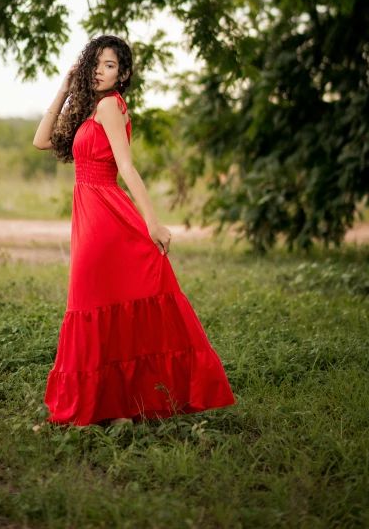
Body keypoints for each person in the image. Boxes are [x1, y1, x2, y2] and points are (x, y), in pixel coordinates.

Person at [32, 34, 235, 426]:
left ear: (123, 74)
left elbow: (127, 168)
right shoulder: (90, 107)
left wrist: (153, 222)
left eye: (109, 66)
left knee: (88, 306)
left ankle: (94, 408)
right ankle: (110, 406)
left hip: (105, 216)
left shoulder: (109, 106)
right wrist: (64, 88)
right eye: (95, 64)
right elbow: (41, 140)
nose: (100, 71)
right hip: (90, 212)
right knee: (98, 306)